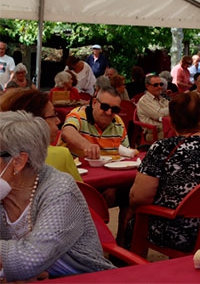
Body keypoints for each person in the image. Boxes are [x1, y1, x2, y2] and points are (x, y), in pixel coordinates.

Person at [0, 111, 115, 280]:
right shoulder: (5, 189)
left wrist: (25, 266)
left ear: (18, 162)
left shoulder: (59, 189)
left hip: (84, 278)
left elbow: (30, 259)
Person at [127, 92, 200, 253]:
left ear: (170, 122)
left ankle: (126, 268)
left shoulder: (162, 149)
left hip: (180, 232)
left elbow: (140, 197)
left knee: (134, 218)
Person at [0, 88, 81, 181]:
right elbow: (80, 191)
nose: (58, 121)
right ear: (34, 122)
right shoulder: (61, 155)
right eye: (53, 115)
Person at [60, 84, 129, 159]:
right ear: (94, 103)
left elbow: (127, 154)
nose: (109, 112)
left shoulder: (118, 122)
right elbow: (67, 132)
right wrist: (87, 145)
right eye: (105, 107)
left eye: (115, 109)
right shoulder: (79, 114)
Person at [137, 73, 170, 140]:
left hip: (166, 127)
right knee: (179, 134)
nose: (159, 87)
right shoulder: (144, 101)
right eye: (155, 85)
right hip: (153, 133)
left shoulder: (161, 98)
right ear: (147, 86)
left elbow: (173, 111)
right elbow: (159, 114)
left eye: (161, 84)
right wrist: (173, 108)